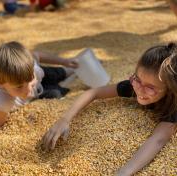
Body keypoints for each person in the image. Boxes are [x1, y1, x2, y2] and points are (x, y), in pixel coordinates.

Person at [42, 43, 177, 175]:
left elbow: (158, 139)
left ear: (169, 89)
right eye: (137, 79)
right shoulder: (134, 86)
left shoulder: (173, 105)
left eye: (150, 88)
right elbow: (94, 93)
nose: (140, 90)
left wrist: (123, 172)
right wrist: (65, 119)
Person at [0, 41, 78, 129]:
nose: (28, 90)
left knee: (55, 73)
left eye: (30, 79)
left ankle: (72, 69)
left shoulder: (32, 68)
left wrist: (64, 61)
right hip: (37, 92)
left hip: (38, 77)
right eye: (19, 86)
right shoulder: (2, 100)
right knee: (56, 93)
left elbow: (37, 55)